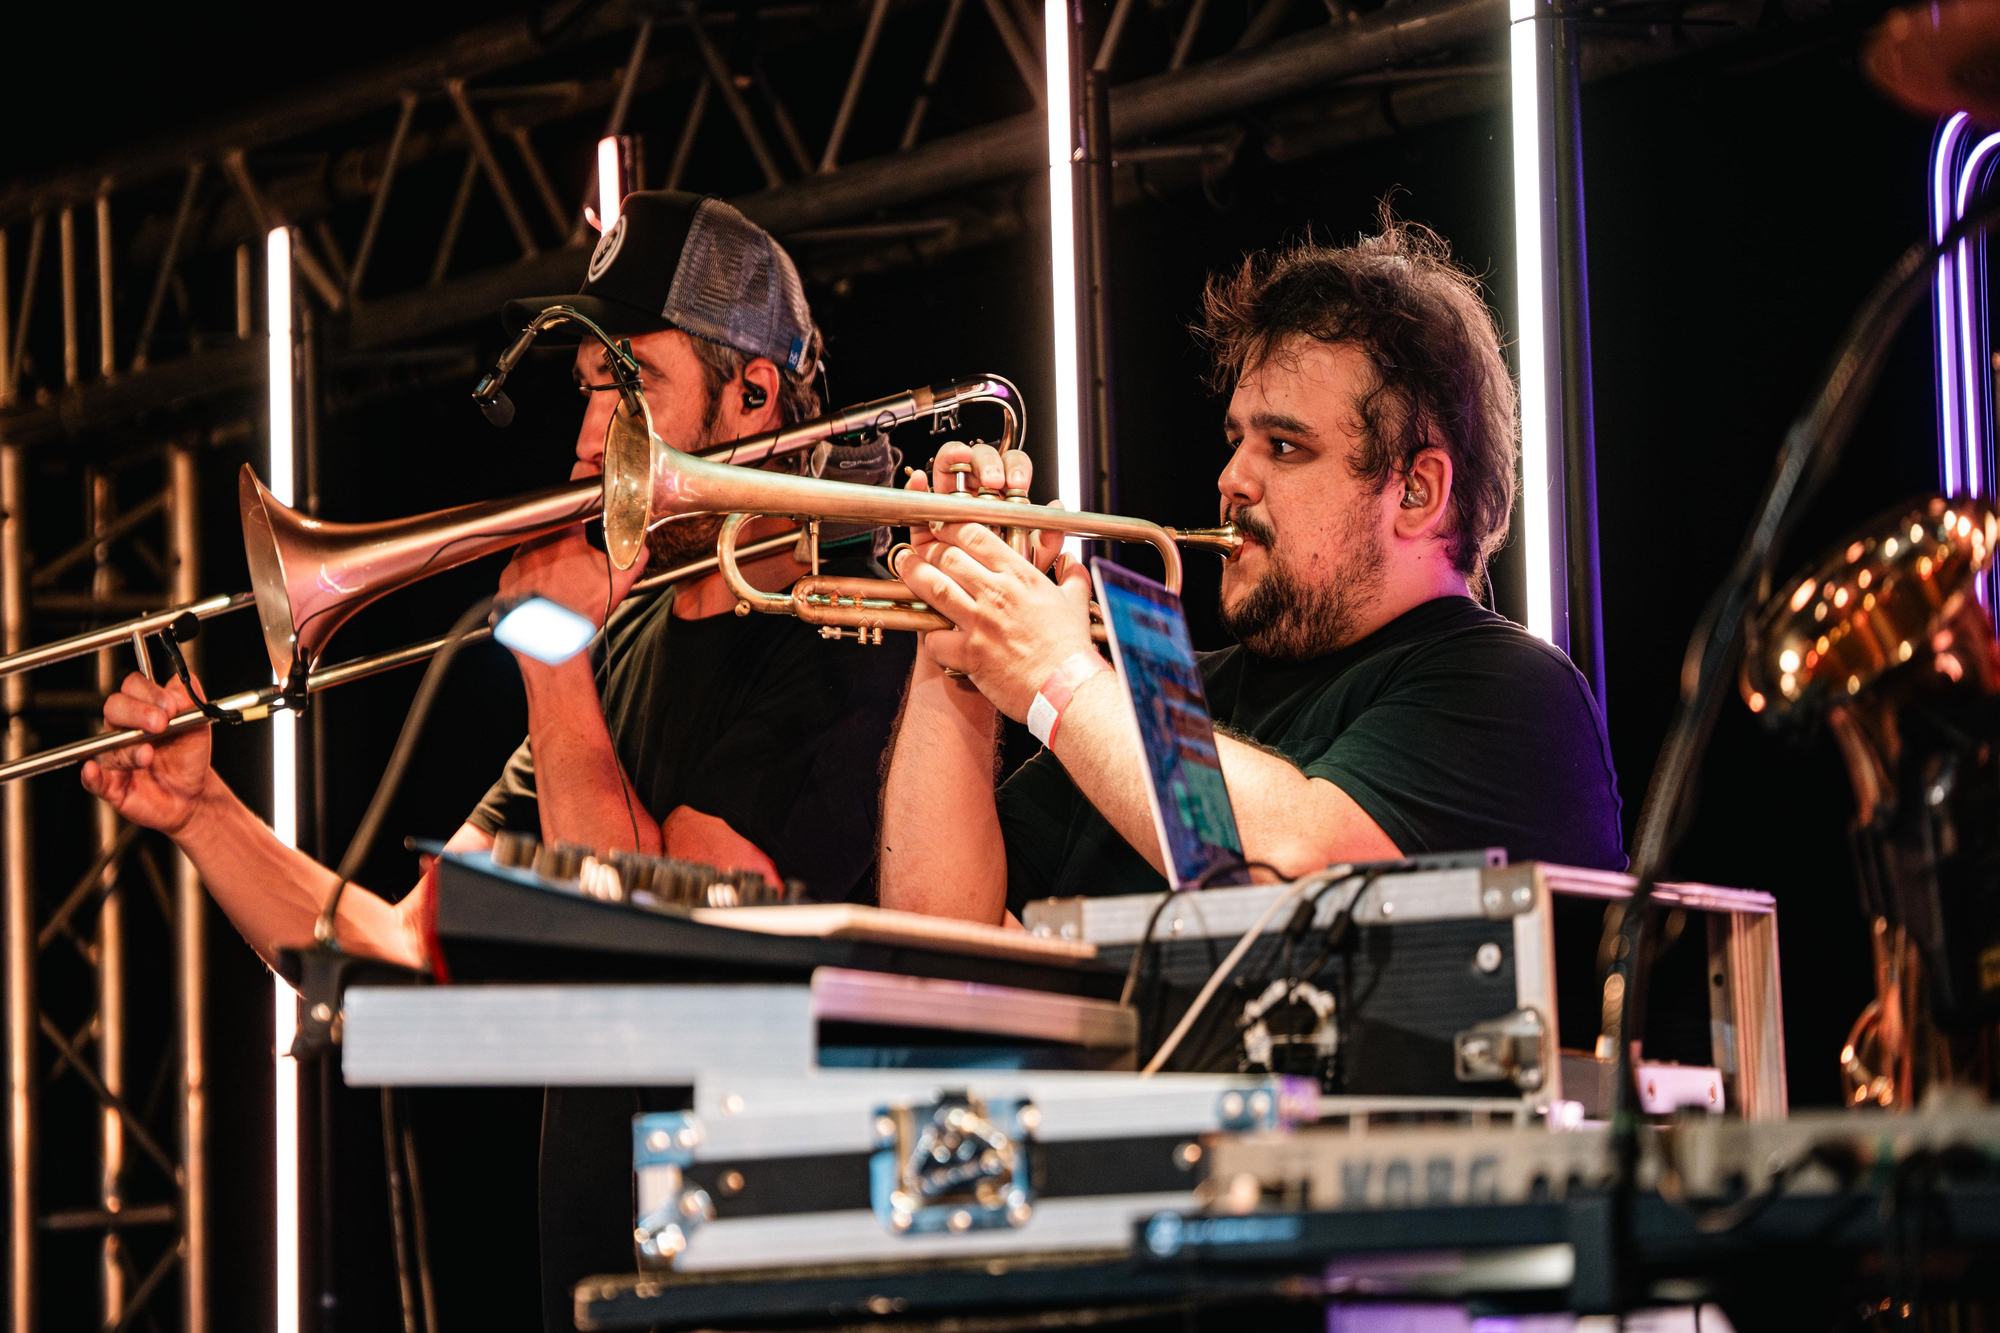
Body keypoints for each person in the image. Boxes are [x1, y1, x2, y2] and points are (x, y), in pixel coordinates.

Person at [79, 191, 916, 1329]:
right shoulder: (614, 647)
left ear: (752, 395)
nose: (582, 443)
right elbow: (385, 965)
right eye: (586, 394)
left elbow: (658, 954)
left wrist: (553, 668)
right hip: (590, 1286)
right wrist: (202, 812)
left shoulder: (845, 636)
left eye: (631, 393)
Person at [877, 221, 1625, 930]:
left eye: (1286, 446)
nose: (1232, 475)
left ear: (1417, 490)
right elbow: (930, 940)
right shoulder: (1166, 696)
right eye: (1238, 439)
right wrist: (960, 627)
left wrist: (1056, 672)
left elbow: (1293, 872)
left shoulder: (1510, 690)